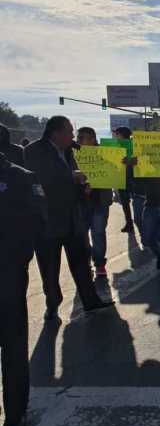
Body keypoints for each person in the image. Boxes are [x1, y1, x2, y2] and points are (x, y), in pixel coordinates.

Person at [24, 116, 114, 320]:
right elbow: (40, 177)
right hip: (48, 221)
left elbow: (75, 177)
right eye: (70, 132)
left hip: (73, 218)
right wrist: (72, 177)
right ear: (56, 133)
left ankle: (91, 301)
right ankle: (53, 305)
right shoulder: (34, 150)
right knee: (50, 268)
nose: (73, 136)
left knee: (82, 262)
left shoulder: (70, 151)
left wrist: (84, 188)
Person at [0, 151, 45, 426]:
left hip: (8, 271)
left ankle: (15, 417)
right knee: (13, 345)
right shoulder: (22, 177)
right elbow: (38, 222)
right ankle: (15, 417)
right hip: (9, 273)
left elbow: (37, 221)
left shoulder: (20, 177)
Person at [76, 127, 112, 278]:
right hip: (79, 202)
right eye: (79, 138)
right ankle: (86, 261)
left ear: (93, 139)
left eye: (84, 138)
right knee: (81, 235)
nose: (81, 141)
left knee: (98, 234)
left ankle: (100, 264)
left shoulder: (106, 153)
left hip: (100, 202)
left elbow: (113, 171)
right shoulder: (72, 154)